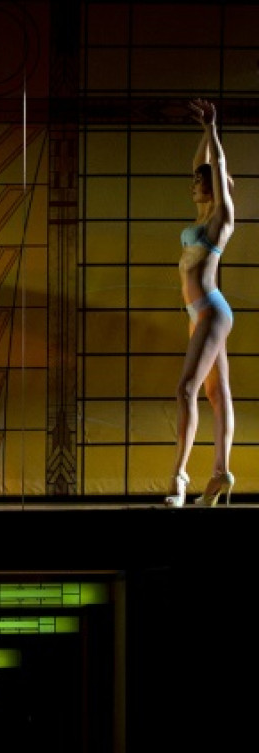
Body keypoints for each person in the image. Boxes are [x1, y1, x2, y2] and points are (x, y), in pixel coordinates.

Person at [165, 99, 236, 508]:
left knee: (186, 389)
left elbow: (217, 166)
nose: (193, 185)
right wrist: (202, 136)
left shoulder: (221, 219)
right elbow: (203, 160)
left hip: (211, 309)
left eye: (199, 181)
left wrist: (214, 129)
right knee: (217, 394)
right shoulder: (199, 215)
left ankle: (179, 477)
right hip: (200, 314)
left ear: (214, 186)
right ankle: (220, 473)